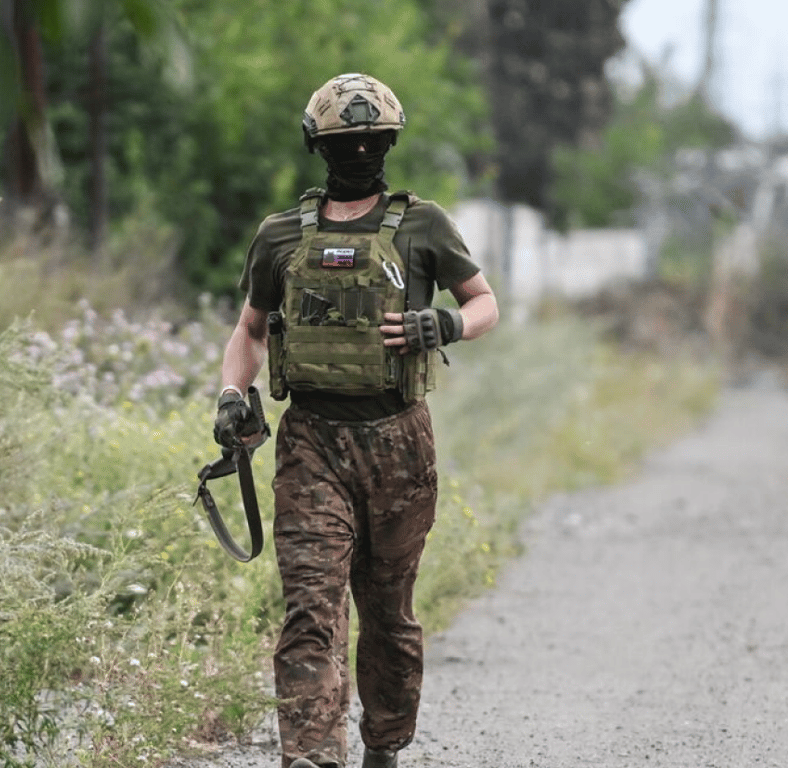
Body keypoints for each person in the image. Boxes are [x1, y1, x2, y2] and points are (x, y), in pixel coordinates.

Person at [212, 73, 499, 768]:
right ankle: (312, 757)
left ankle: (384, 746)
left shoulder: (423, 225)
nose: (361, 151)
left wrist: (446, 324)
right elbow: (250, 330)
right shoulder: (281, 235)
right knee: (311, 613)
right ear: (321, 147)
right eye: (347, 141)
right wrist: (229, 394)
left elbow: (486, 302)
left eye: (371, 140)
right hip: (312, 444)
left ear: (390, 142)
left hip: (399, 444)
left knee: (388, 617)